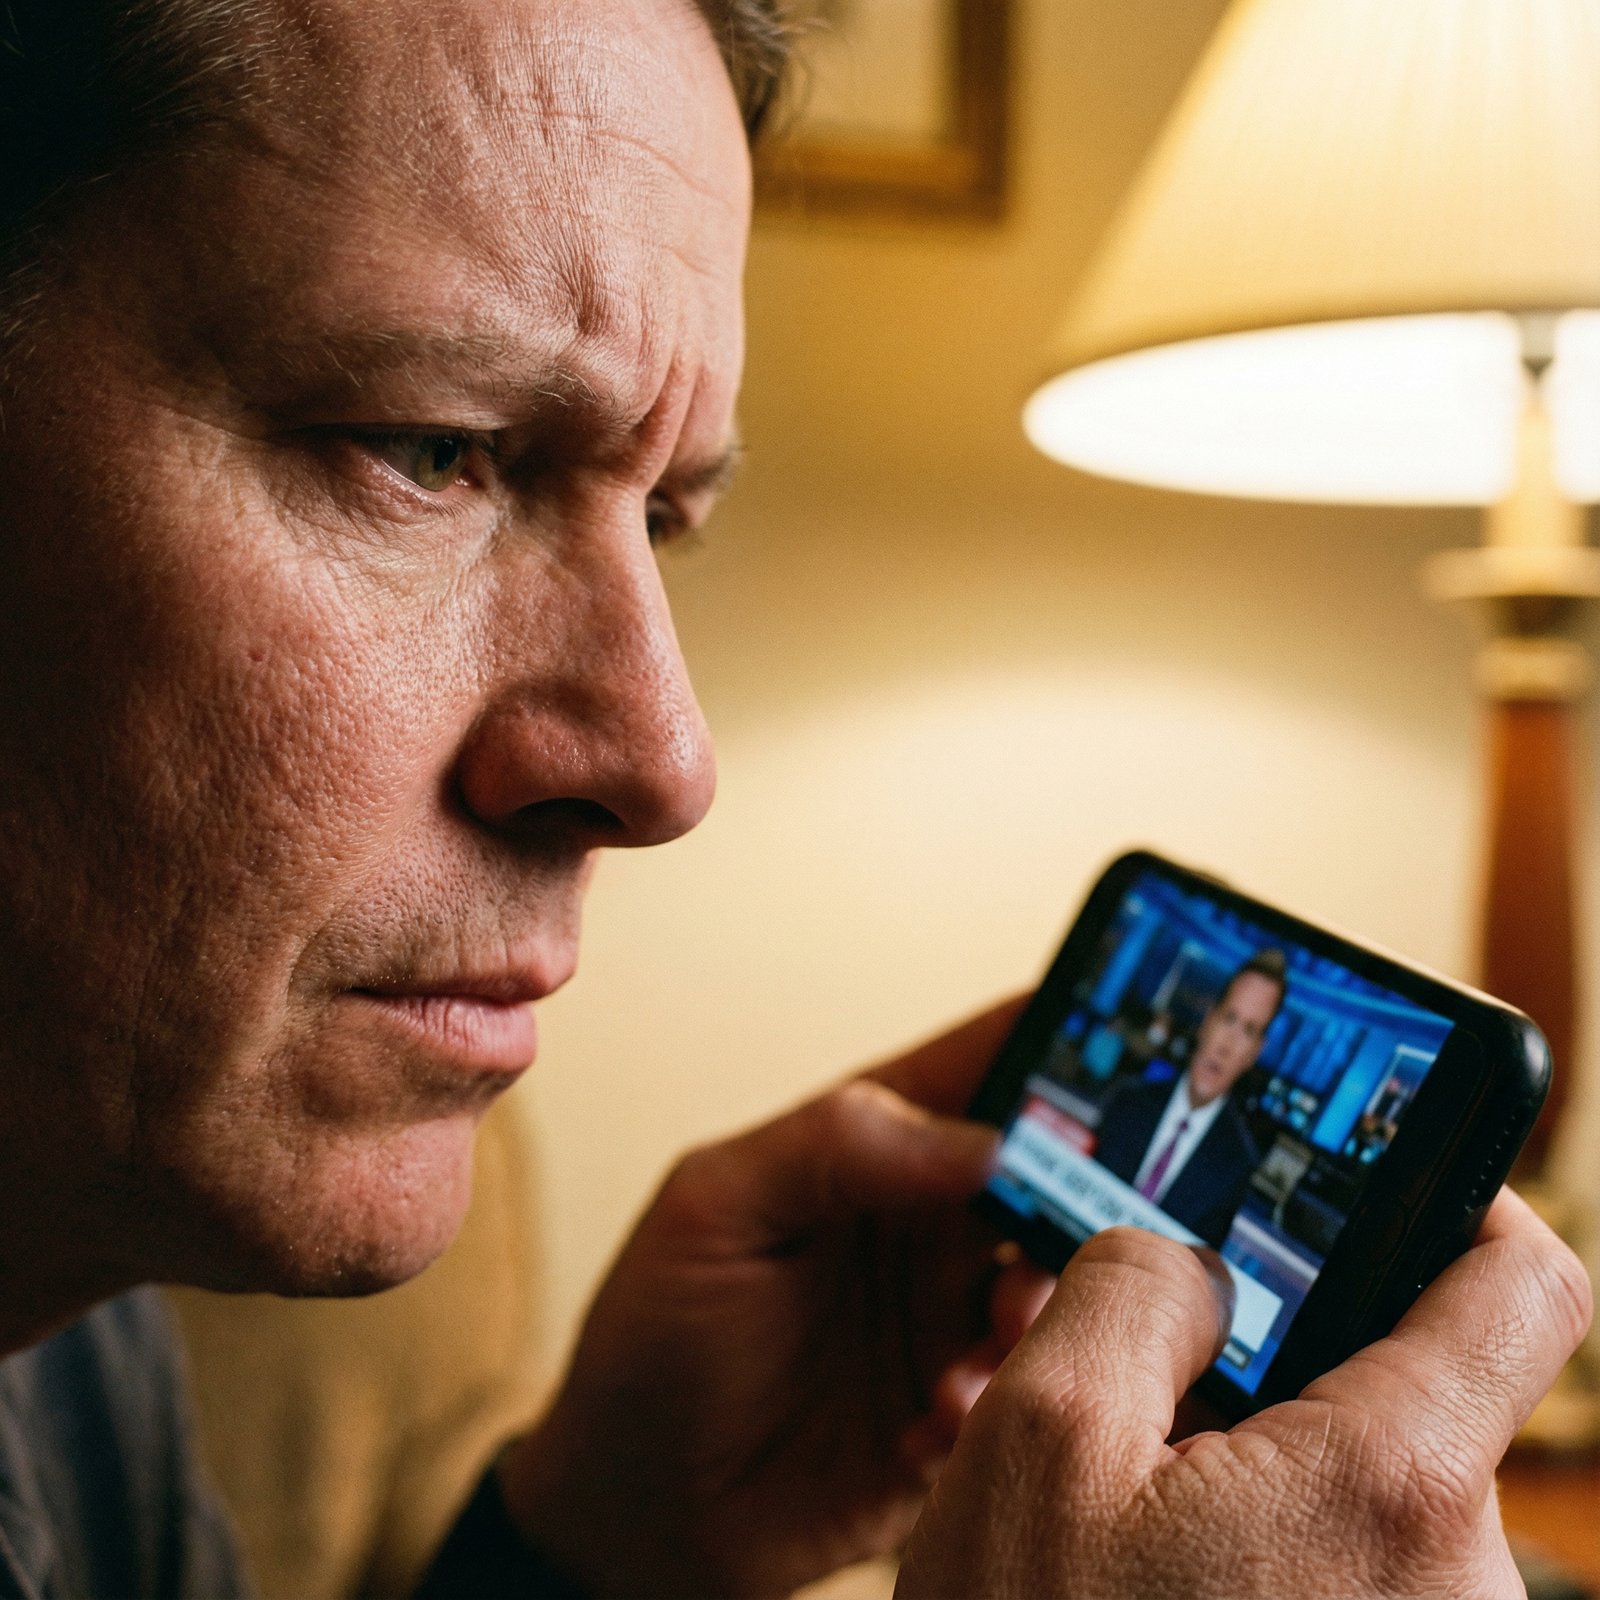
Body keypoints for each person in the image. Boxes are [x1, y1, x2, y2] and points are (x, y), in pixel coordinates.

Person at [0, 2, 1587, 1597]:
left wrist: (599, 1554)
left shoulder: (70, 1314)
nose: (664, 763)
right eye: (434, 450)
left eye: (671, 516)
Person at [1094, 950, 1284, 1246]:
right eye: (1228, 1018)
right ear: (1207, 1022)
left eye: (1248, 1030)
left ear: (1255, 1052)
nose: (1227, 1045)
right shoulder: (1127, 1101)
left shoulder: (1238, 1165)